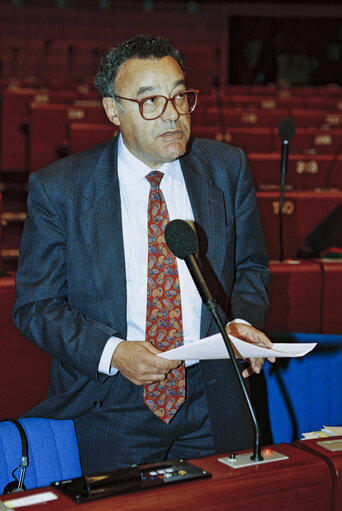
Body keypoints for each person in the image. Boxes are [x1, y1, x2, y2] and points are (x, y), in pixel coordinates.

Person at [13, 34, 273, 475]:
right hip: (112, 405)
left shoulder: (227, 169)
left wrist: (242, 322)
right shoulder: (59, 189)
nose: (172, 114)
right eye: (150, 100)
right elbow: (36, 308)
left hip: (215, 396)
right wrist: (113, 352)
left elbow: (250, 268)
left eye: (179, 97)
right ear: (113, 110)